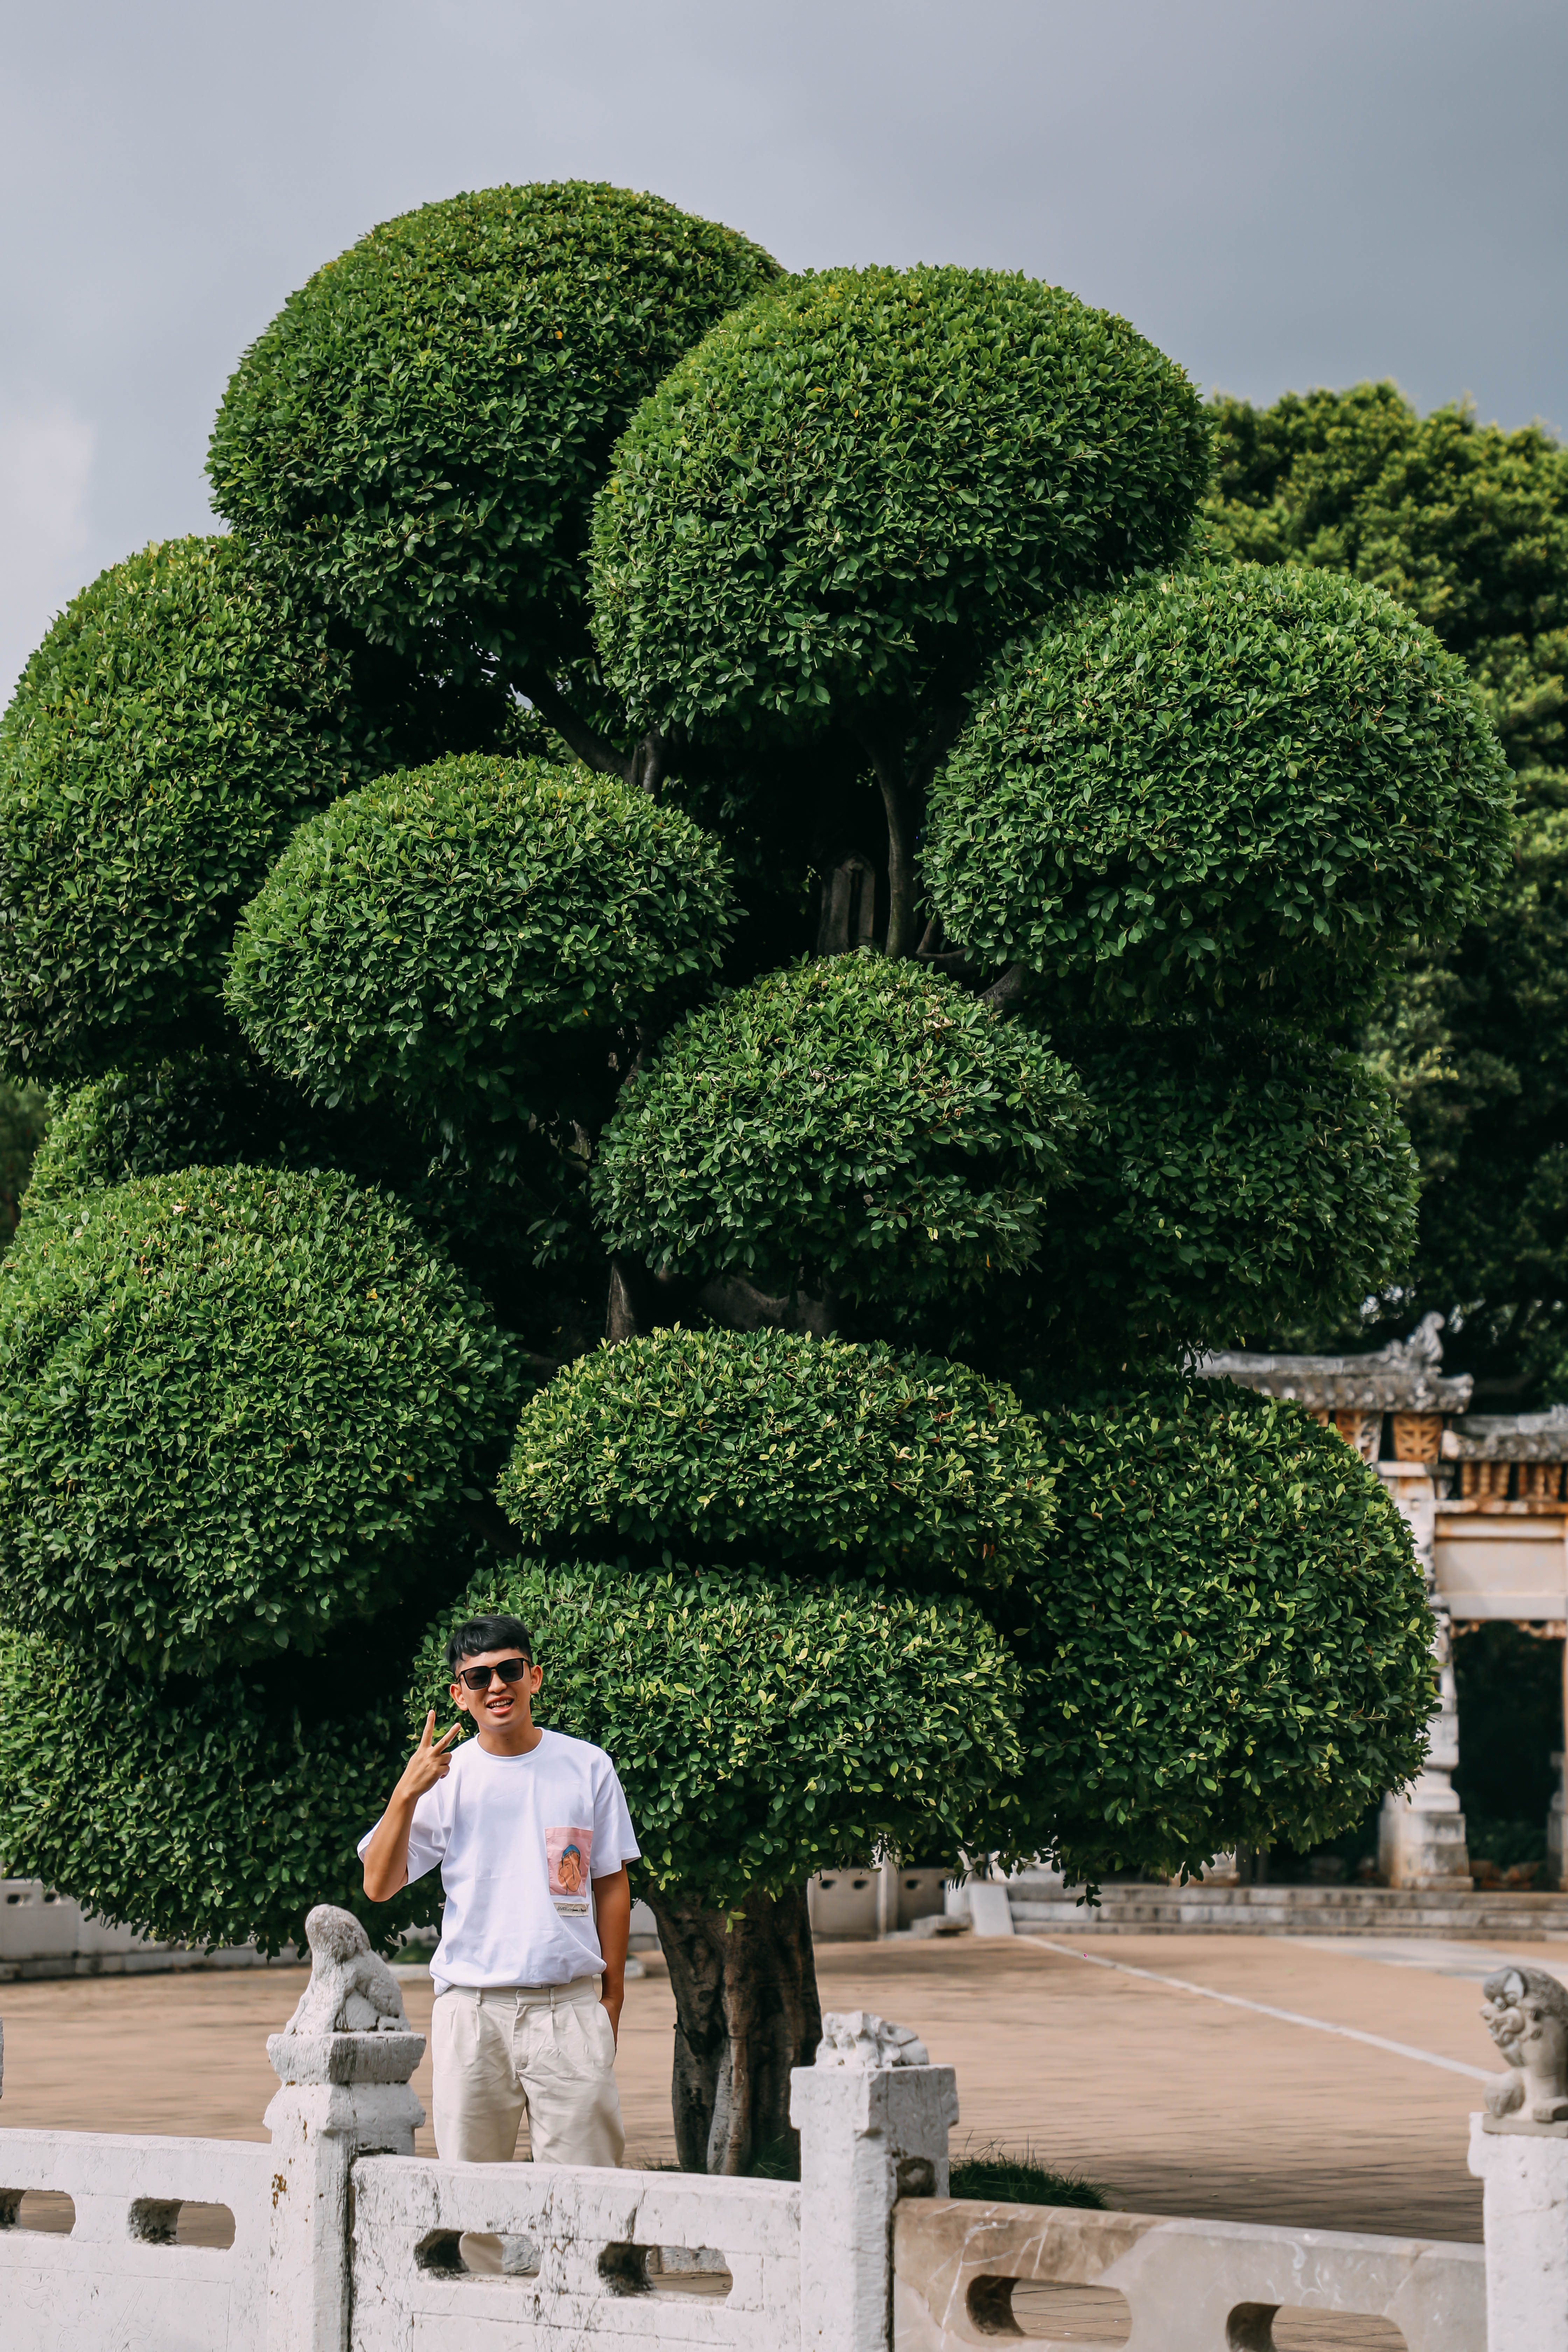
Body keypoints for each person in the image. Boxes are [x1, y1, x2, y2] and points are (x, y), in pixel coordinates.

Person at [359, 1612, 638, 2183]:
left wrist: (611, 1999)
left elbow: (609, 1880)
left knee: (591, 2191)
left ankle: (583, 2278)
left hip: (569, 2010)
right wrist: (406, 1792)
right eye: (479, 1678)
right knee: (470, 2199)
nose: (497, 1686)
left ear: (533, 1677)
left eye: (509, 1670)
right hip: (472, 2011)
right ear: (460, 1695)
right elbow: (379, 1884)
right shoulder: (446, 1776)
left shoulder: (586, 1766)